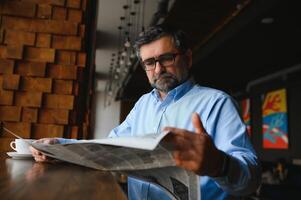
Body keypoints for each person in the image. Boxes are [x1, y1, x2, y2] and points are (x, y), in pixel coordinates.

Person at [31, 25, 261, 200]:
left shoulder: (217, 103)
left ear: (187, 58)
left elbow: (251, 180)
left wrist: (219, 164)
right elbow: (107, 147)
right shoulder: (143, 104)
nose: (158, 69)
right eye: (149, 62)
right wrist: (58, 147)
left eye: (167, 58)